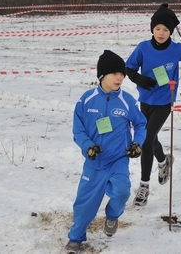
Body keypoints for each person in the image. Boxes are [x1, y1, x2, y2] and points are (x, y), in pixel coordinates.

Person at [66, 50, 147, 253]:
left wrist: (137, 143)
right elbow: (78, 129)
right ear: (102, 76)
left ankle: (112, 216)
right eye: (114, 73)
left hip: (118, 160)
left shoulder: (127, 100)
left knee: (122, 191)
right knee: (84, 204)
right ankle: (76, 238)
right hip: (94, 161)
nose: (119, 77)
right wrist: (87, 147)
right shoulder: (87, 100)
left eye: (121, 73)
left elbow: (140, 124)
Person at [125, 3, 181, 206]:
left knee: (146, 139)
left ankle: (144, 187)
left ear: (171, 31)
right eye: (157, 28)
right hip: (145, 100)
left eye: (166, 29)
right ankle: (164, 161)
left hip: (165, 101)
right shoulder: (143, 48)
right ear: (152, 29)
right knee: (151, 137)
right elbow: (128, 68)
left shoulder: (176, 50)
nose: (161, 33)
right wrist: (138, 79)